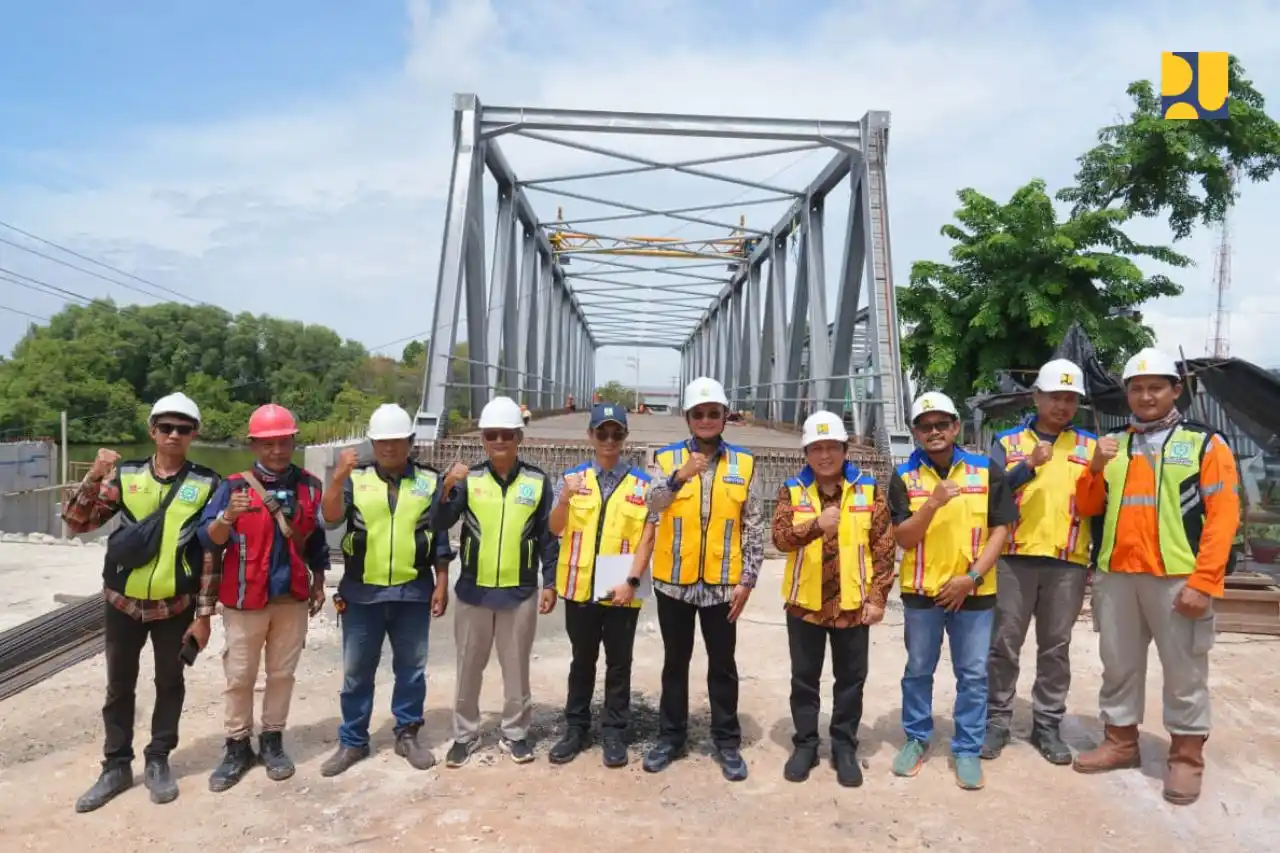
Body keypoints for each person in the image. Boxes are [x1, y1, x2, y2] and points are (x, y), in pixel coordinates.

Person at [1071, 347, 1239, 806]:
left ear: (1175, 390)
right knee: (1119, 666)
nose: (1145, 396)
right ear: (1127, 394)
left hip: (1177, 578)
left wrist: (1204, 583)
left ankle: (1186, 758)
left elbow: (1224, 518)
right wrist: (1096, 467)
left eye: (1155, 387)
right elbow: (1087, 508)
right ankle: (1121, 741)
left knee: (1185, 671)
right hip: (1118, 578)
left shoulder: (1206, 444)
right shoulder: (1114, 446)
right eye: (1137, 388)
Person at [62, 393, 221, 813]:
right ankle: (115, 765)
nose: (173, 435)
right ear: (152, 431)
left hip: (176, 605)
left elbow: (210, 553)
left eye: (182, 429)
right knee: (119, 687)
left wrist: (204, 615)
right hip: (122, 603)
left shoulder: (207, 483)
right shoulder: (127, 473)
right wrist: (94, 476)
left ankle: (158, 759)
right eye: (165, 427)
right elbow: (79, 522)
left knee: (171, 683)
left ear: (194, 434)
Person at [196, 404, 328, 792]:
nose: (277, 450)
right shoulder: (233, 487)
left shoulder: (310, 486)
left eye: (284, 441)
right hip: (243, 597)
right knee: (239, 676)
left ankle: (272, 740)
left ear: (293, 441)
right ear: (254, 445)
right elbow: (209, 540)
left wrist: (319, 581)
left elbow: (316, 541)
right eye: (268, 443)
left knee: (282, 674)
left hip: (291, 597)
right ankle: (237, 745)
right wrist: (227, 518)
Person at [888, 391, 1015, 791]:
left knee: (974, 674)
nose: (934, 431)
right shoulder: (904, 476)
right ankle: (917, 738)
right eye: (925, 426)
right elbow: (903, 538)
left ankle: (966, 748)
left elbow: (1002, 529)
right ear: (915, 432)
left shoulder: (984, 470)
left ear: (956, 426)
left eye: (942, 423)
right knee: (918, 670)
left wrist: (972, 578)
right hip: (922, 592)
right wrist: (932, 504)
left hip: (973, 592)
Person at [317, 404, 453, 776]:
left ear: (410, 441)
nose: (389, 448)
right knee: (357, 670)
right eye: (381, 442)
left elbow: (440, 534)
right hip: (362, 593)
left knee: (411, 668)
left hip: (413, 591)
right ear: (372, 444)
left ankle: (407, 732)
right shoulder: (354, 479)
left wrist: (441, 583)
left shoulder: (429, 479)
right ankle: (353, 740)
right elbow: (328, 519)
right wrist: (336, 479)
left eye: (396, 441)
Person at [642, 376, 762, 782]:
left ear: (725, 416)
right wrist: (678, 478)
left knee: (723, 665)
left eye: (714, 413)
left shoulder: (743, 463)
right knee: (675, 663)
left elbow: (753, 524)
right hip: (673, 582)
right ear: (688, 418)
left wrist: (748, 578)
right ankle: (670, 738)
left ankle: (726, 742)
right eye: (700, 414)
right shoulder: (664, 458)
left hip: (722, 584)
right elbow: (651, 506)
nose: (707, 420)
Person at [771, 411, 895, 787]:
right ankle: (806, 744)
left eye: (832, 447)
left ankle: (844, 746)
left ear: (844, 449)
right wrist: (815, 525)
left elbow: (884, 547)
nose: (825, 455)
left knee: (851, 680)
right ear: (806, 453)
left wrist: (878, 598)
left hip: (853, 605)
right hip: (805, 605)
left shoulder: (868, 489)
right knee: (805, 679)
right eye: (817, 448)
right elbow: (780, 539)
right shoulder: (791, 490)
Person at [983, 359, 1096, 765]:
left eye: (1070, 398)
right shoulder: (1008, 442)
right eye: (1055, 397)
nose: (1062, 405)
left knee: (1056, 647)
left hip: (1067, 561)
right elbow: (990, 498)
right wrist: (1027, 466)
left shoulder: (1090, 447)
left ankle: (1047, 723)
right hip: (1014, 559)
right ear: (1037, 397)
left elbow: (1098, 503)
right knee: (1003, 643)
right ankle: (996, 719)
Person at [435, 395, 558, 767]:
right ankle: (465, 734)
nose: (499, 441)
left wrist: (549, 582)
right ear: (483, 440)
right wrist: (446, 486)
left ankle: (516, 734)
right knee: (468, 666)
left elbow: (548, 537)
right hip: (474, 591)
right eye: (492, 435)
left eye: (507, 434)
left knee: (516, 666)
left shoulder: (537, 481)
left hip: (519, 591)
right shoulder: (468, 480)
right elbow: (438, 523)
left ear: (519, 437)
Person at [546, 403, 655, 768]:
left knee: (619, 663)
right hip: (579, 585)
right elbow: (555, 528)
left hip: (620, 583)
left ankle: (614, 730)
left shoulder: (642, 484)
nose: (609, 440)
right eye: (602, 433)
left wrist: (632, 581)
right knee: (582, 661)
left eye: (616, 433)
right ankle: (576, 728)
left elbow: (646, 539)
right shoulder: (573, 479)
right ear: (590, 436)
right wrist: (563, 498)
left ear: (625, 437)